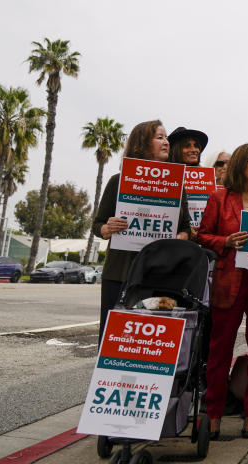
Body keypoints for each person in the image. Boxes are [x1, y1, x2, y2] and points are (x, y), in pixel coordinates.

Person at [197, 143, 248, 440]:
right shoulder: (219, 197)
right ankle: (214, 413)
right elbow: (202, 236)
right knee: (220, 352)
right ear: (241, 165)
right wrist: (226, 242)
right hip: (228, 282)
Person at [92, 120, 191, 337]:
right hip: (120, 273)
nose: (166, 142)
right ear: (141, 144)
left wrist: (179, 237)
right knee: (115, 335)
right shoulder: (118, 181)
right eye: (159, 137)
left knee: (150, 338)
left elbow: (187, 229)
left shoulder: (177, 186)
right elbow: (97, 225)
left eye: (166, 138)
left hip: (161, 274)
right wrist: (107, 228)